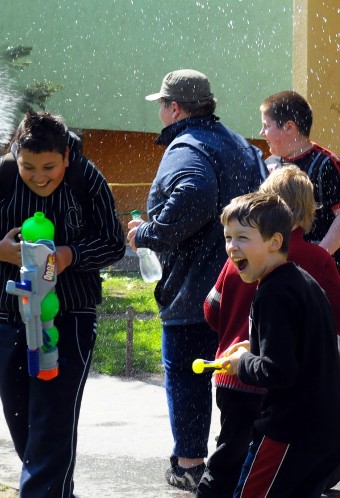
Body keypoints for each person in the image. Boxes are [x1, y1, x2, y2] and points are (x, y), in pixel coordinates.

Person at [0, 111, 125, 497]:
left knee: (50, 427)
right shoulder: (0, 174)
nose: (39, 176)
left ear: (66, 155)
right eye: (29, 167)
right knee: (25, 427)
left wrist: (68, 255)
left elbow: (113, 242)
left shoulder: (87, 178)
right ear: (16, 154)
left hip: (70, 320)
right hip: (7, 318)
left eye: (49, 166)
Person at [127, 69, 266, 491]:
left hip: (194, 290)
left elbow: (194, 193)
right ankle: (245, 464)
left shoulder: (185, 146)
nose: (160, 114)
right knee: (241, 377)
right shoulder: (241, 144)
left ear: (175, 108)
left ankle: (189, 462)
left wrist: (148, 233)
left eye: (162, 106)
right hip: (245, 286)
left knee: (187, 375)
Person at [198, 166, 340, 497]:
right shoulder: (299, 281)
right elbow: (303, 349)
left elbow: (278, 371)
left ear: (275, 241)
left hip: (291, 431)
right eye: (228, 238)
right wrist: (257, 345)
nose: (232, 248)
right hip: (323, 431)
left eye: (243, 238)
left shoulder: (274, 292)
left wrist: (242, 362)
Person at [259, 90, 340, 271]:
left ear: (289, 127)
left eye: (266, 126)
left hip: (319, 271)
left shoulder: (326, 164)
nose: (261, 133)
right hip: (278, 267)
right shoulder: (269, 165)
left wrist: (319, 255)